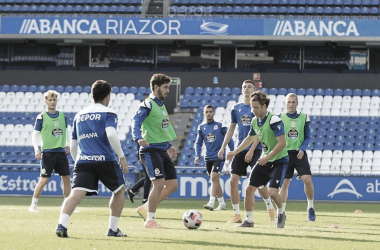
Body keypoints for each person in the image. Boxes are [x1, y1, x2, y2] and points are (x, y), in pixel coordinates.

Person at [56, 80, 128, 238]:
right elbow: (111, 134)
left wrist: (78, 161)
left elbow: (73, 144)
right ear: (108, 96)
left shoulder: (79, 115)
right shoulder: (109, 113)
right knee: (119, 191)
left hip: (83, 160)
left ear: (92, 95)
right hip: (106, 160)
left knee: (75, 193)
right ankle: (113, 229)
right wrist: (121, 157)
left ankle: (62, 224)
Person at [227, 90, 288, 228]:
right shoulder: (255, 121)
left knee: (272, 192)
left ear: (264, 106)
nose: (253, 110)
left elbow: (282, 143)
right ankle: (249, 221)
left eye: (256, 107)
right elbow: (250, 138)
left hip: (279, 161)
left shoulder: (274, 120)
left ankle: (281, 211)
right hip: (265, 160)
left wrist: (267, 157)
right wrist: (235, 152)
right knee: (249, 189)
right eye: (252, 107)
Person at [218, 80, 276, 224]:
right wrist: (223, 147)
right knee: (233, 181)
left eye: (249, 87)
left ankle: (270, 208)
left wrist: (251, 149)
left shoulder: (256, 108)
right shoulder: (236, 108)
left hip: (256, 149)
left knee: (260, 184)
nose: (246, 89)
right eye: (244, 86)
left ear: (254, 90)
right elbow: (231, 129)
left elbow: (258, 131)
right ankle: (237, 215)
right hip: (240, 148)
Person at [132, 73, 178, 229]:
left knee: (172, 185)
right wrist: (138, 138)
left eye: (168, 87)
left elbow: (159, 130)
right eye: (165, 87)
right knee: (158, 184)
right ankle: (150, 220)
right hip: (150, 150)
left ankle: (145, 208)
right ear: (156, 87)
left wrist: (169, 145)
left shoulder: (160, 105)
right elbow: (136, 121)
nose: (168, 91)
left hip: (162, 149)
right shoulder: (147, 104)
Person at [29, 90, 71, 213]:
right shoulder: (41, 117)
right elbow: (34, 135)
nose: (52, 102)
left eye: (54, 100)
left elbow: (66, 131)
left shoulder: (62, 115)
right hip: (47, 153)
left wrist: (67, 144)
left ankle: (67, 206)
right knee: (44, 180)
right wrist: (37, 149)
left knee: (66, 178)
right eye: (50, 100)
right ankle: (33, 205)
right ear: (46, 101)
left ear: (56, 101)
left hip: (60, 152)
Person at [279, 93, 316, 221]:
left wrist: (302, 148)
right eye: (288, 102)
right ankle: (282, 211)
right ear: (285, 103)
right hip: (285, 154)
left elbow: (307, 137)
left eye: (293, 102)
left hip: (299, 153)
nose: (291, 104)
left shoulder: (304, 117)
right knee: (284, 183)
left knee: (307, 179)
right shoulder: (280, 117)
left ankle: (310, 207)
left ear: (297, 103)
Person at [194, 105, 234, 211]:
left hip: (219, 156)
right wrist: (197, 155)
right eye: (206, 112)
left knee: (214, 177)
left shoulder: (220, 126)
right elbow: (198, 143)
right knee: (215, 180)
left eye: (210, 111)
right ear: (204, 113)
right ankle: (222, 204)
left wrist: (232, 151)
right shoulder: (201, 127)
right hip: (208, 158)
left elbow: (229, 139)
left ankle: (211, 202)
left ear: (214, 113)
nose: (208, 113)